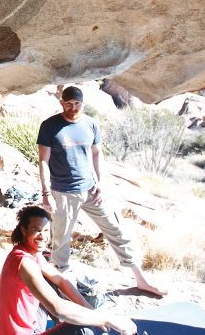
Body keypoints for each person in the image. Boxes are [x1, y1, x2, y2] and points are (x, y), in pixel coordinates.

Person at [37, 86, 165, 297]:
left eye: (77, 103)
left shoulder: (91, 124)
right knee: (61, 240)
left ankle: (142, 280)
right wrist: (45, 192)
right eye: (68, 103)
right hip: (63, 192)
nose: (72, 107)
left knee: (116, 229)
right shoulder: (50, 126)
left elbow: (97, 154)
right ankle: (62, 286)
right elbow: (43, 161)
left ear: (83, 103)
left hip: (90, 189)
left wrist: (101, 182)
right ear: (62, 103)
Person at [0, 205, 137, 335]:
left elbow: (61, 281)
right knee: (84, 330)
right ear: (24, 230)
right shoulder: (24, 262)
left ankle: (72, 320)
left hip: (24, 326)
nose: (43, 236)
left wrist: (90, 312)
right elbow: (57, 308)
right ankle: (72, 322)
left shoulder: (29, 253)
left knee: (52, 281)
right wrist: (105, 318)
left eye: (45, 230)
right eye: (36, 230)